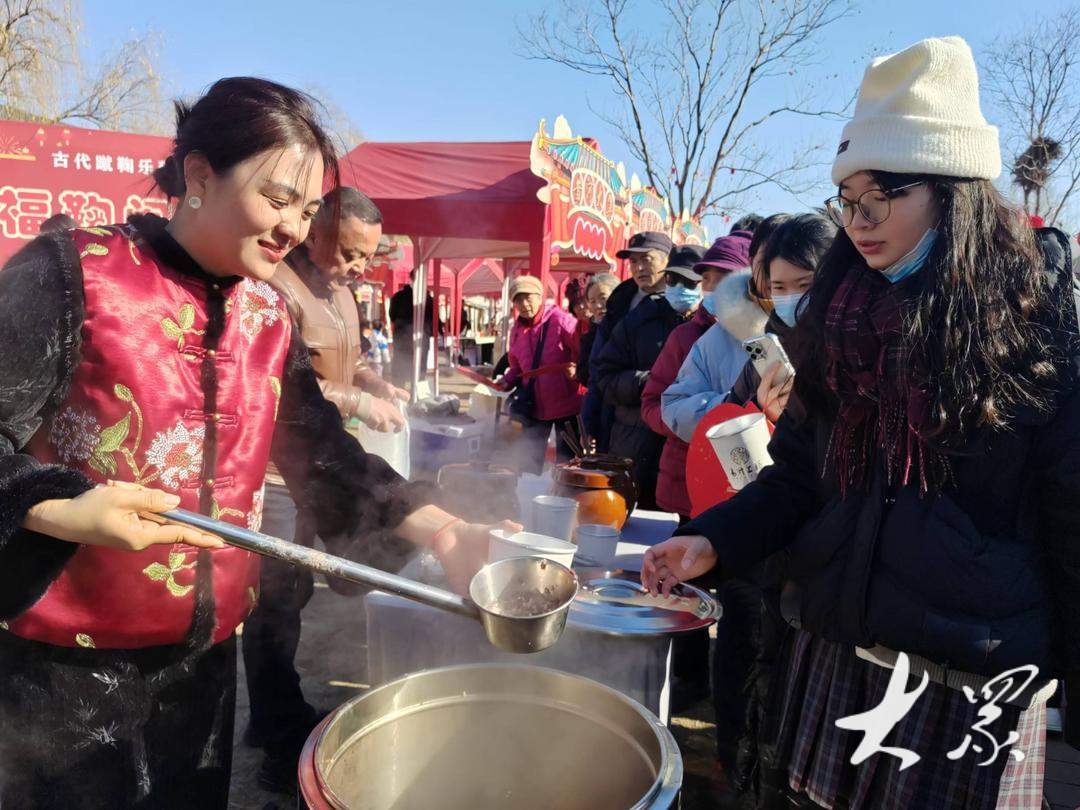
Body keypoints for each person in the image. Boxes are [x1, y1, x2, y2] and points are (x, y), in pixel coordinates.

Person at [0, 77, 513, 809]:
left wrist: (442, 528)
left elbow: (323, 454)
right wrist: (60, 507)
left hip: (203, 672)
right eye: (276, 199)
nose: (294, 229)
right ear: (200, 175)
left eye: (307, 211)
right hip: (63, 675)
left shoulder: (268, 317)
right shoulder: (75, 273)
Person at [644, 37, 1078, 808]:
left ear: (953, 190)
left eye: (879, 199)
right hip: (839, 654)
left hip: (965, 684)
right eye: (847, 202)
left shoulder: (1035, 322)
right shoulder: (844, 313)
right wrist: (716, 538)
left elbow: (1070, 519)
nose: (859, 223)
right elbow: (808, 470)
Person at [243, 186, 409, 791]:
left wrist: (376, 384)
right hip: (273, 470)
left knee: (297, 593)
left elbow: (351, 359)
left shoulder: (341, 291)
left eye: (366, 256)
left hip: (320, 464)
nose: (359, 267)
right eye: (349, 253)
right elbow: (279, 387)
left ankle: (273, 713)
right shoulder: (276, 287)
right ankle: (275, 732)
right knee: (276, 599)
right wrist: (357, 400)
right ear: (316, 231)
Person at [641, 231, 752, 519]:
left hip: (746, 485)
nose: (713, 288)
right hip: (686, 480)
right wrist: (684, 421)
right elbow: (653, 402)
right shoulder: (685, 336)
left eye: (724, 277)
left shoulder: (768, 334)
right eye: (707, 279)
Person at [592, 244, 706, 509]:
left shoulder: (716, 328)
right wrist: (650, 382)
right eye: (673, 279)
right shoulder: (638, 320)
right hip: (635, 449)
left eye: (689, 281)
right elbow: (604, 376)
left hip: (688, 458)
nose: (680, 287)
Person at [585, 231, 675, 453]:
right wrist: (589, 423)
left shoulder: (681, 304)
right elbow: (598, 370)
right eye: (633, 261)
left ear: (667, 259)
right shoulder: (619, 302)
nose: (639, 268)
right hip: (620, 423)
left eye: (647, 259)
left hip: (666, 425)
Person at [499, 274, 583, 474]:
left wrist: (579, 369)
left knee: (568, 461)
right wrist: (506, 380)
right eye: (518, 299)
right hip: (534, 405)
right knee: (529, 460)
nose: (524, 304)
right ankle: (529, 496)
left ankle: (565, 500)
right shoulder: (517, 330)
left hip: (567, 404)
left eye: (528, 297)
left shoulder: (560, 320)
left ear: (540, 296)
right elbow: (517, 367)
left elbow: (583, 350)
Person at [577, 272, 619, 446]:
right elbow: (589, 378)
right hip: (601, 410)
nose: (599, 306)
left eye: (603, 298)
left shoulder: (627, 328)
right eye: (592, 301)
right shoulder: (592, 335)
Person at [388, 269, 438, 388]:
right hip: (420, 338)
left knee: (401, 372)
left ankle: (399, 400)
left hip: (402, 337)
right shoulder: (428, 299)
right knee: (419, 372)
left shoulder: (398, 296)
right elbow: (434, 319)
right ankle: (416, 401)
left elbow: (392, 315)